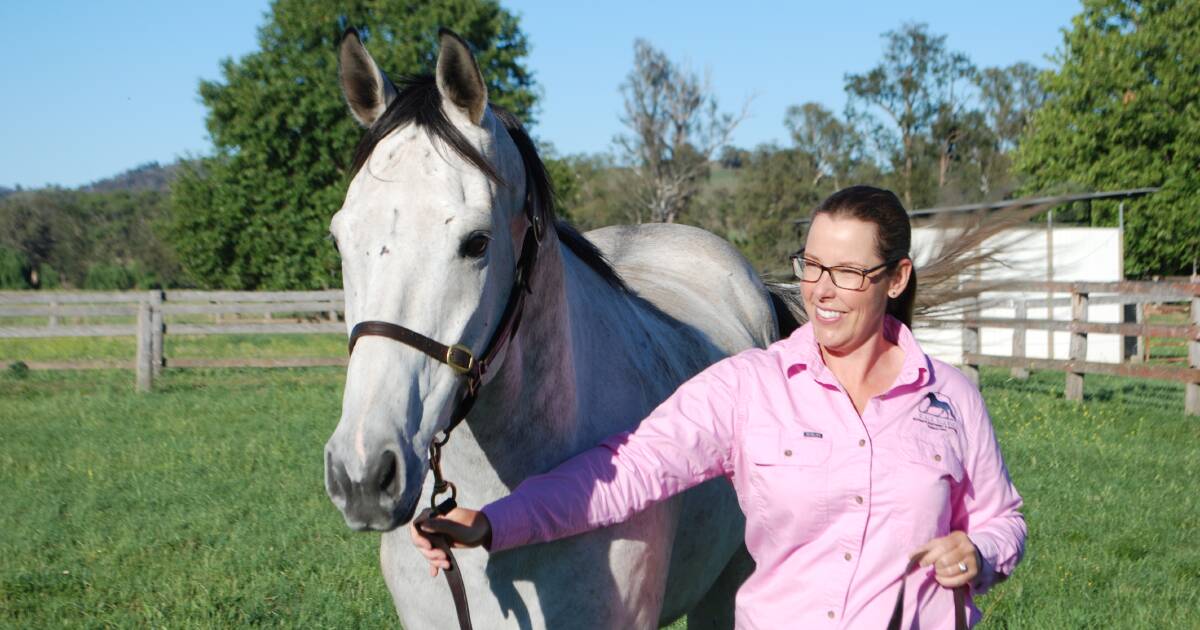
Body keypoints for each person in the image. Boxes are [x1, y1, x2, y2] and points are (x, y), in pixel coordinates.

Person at [411, 185, 1026, 628]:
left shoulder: (950, 398)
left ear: (896, 279)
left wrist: (981, 552)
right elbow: (626, 471)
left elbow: (1004, 519)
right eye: (811, 265)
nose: (821, 290)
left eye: (846, 271)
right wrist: (495, 522)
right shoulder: (750, 386)